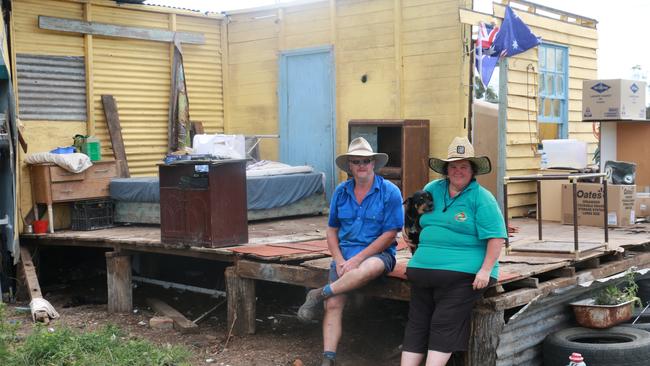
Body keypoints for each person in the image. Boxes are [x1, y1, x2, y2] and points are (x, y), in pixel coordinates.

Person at [297, 137, 404, 366]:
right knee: (334, 304)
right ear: (350, 167)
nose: (362, 165)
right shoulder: (341, 192)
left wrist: (356, 259)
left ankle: (317, 294)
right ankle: (328, 359)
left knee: (368, 268)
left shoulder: (390, 191)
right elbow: (332, 230)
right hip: (344, 255)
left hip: (377, 254)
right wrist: (339, 260)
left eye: (366, 160)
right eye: (356, 161)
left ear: (373, 163)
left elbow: (390, 234)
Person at [401, 136, 507, 366]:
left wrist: (485, 270)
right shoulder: (432, 189)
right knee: (417, 322)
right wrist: (407, 229)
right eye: (453, 166)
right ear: (446, 170)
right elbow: (412, 216)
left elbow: (496, 237)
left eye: (464, 166)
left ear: (472, 170)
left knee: (443, 321)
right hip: (422, 269)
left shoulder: (481, 197)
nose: (458, 171)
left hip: (463, 274)